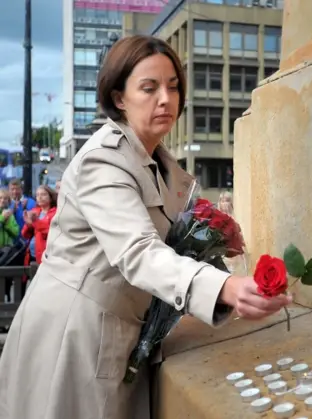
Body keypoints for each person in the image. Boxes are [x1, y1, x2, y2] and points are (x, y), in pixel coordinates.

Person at [0, 35, 291, 419]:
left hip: (119, 329)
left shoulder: (159, 162)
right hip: (76, 333)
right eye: (149, 88)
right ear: (119, 97)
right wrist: (225, 287)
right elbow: (140, 252)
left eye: (173, 87)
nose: (166, 100)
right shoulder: (102, 162)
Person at [21, 185, 57, 266]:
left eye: (43, 194)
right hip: (31, 253)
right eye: (37, 195)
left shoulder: (55, 213)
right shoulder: (34, 211)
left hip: (47, 255)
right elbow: (25, 234)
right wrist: (28, 225)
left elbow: (50, 232)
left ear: (51, 197)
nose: (40, 197)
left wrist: (35, 221)